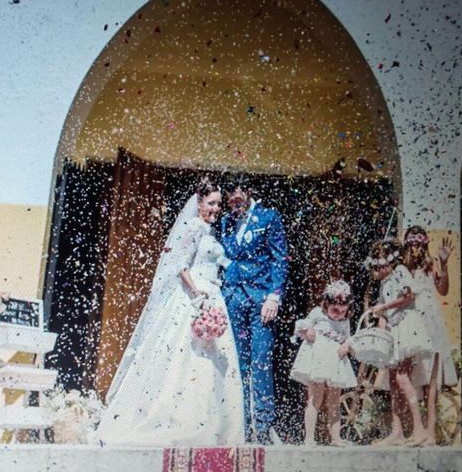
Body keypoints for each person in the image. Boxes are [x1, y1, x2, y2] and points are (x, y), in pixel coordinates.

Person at [94, 180, 245, 446]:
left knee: (212, 360)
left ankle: (215, 422)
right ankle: (187, 418)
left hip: (213, 295)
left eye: (219, 204)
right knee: (189, 357)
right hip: (195, 296)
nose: (216, 208)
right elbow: (180, 265)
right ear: (199, 203)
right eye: (211, 203)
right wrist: (197, 294)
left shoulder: (210, 231)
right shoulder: (194, 227)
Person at [220, 180, 288, 444]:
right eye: (230, 195)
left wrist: (274, 296)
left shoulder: (268, 217)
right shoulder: (226, 221)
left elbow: (280, 258)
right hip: (233, 297)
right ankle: (241, 425)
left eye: (239, 194)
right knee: (237, 363)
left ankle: (262, 426)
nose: (234, 199)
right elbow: (228, 257)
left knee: (260, 360)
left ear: (249, 192)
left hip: (261, 299)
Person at [366, 239, 432, 446]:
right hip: (394, 331)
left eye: (377, 267)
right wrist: (380, 339)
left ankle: (419, 429)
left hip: (406, 327)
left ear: (387, 264)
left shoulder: (400, 272)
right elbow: (383, 314)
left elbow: (408, 296)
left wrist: (384, 306)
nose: (374, 272)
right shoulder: (383, 284)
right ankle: (397, 431)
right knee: (393, 382)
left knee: (403, 378)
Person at [404, 226, 457, 445]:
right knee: (413, 377)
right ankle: (416, 430)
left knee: (431, 382)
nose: (416, 246)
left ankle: (431, 432)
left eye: (419, 242)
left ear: (424, 243)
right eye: (412, 242)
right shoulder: (403, 267)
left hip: (430, 322)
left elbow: (443, 289)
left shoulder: (431, 264)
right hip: (412, 323)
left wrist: (443, 265)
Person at [290, 280, 357, 446]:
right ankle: (309, 438)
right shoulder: (317, 313)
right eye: (335, 309)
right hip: (318, 361)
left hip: (335, 361)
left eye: (342, 310)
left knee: (334, 400)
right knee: (315, 398)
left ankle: (336, 437)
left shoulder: (344, 321)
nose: (338, 313)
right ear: (327, 303)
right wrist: (309, 330)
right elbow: (301, 325)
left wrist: (346, 345)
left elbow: (349, 338)